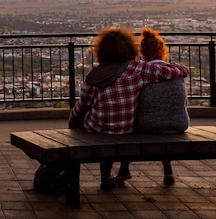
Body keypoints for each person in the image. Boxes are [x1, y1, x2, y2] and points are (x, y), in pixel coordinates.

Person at [68, 26, 189, 189]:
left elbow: (82, 105)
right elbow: (167, 71)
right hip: (125, 128)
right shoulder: (136, 68)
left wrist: (73, 121)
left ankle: (105, 177)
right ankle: (114, 175)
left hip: (96, 128)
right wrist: (182, 68)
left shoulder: (95, 74)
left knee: (92, 122)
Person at [113, 28, 190, 186]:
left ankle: (124, 168)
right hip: (179, 124)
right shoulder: (176, 72)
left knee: (132, 123)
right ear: (163, 51)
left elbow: (133, 102)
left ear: (142, 52)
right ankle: (167, 168)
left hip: (148, 125)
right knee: (163, 120)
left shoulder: (141, 72)